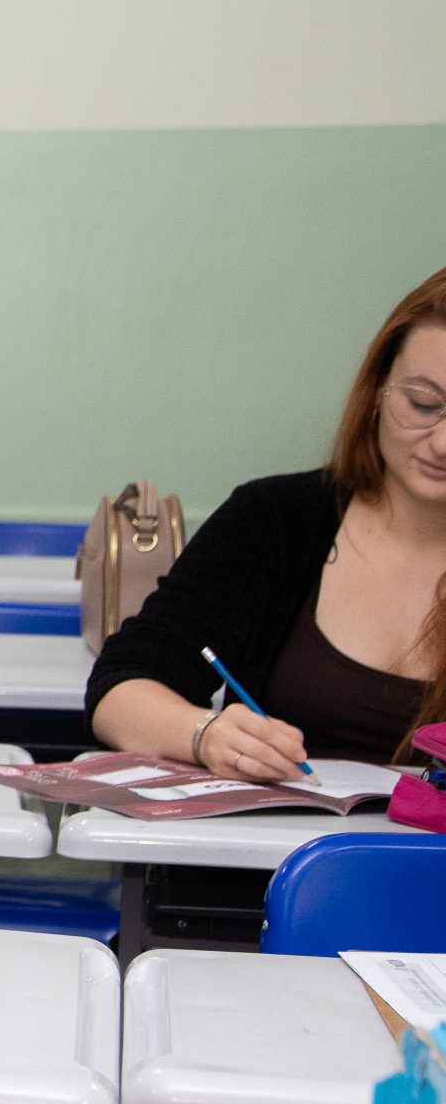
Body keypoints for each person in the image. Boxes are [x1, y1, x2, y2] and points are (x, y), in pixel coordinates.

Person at [90, 267, 446, 777]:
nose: (441, 443)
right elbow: (121, 688)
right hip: (272, 854)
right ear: (377, 392)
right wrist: (204, 735)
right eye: (423, 404)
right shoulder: (276, 519)